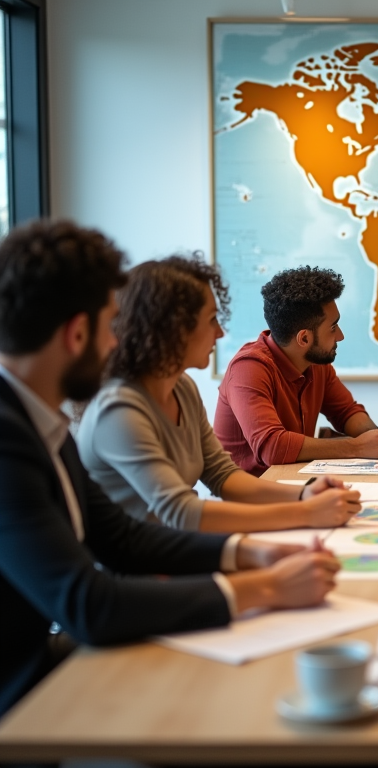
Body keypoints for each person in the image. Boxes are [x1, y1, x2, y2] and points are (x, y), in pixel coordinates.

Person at [0, 220, 340, 716]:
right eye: (109, 325)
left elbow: (122, 537)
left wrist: (251, 556)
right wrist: (262, 587)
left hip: (72, 648)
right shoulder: (12, 438)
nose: (118, 342)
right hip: (32, 694)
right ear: (77, 333)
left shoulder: (40, 421)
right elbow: (89, 605)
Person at [78, 255, 361, 532]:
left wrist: (305, 496)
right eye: (212, 319)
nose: (221, 333)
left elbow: (222, 475)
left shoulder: (183, 388)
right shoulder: (119, 411)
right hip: (139, 568)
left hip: (175, 548)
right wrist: (304, 511)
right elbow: (180, 511)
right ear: (172, 329)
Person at [215, 266, 378, 476]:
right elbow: (272, 447)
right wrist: (357, 447)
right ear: (304, 338)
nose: (340, 336)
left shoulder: (315, 363)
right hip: (249, 497)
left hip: (292, 482)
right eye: (333, 327)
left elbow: (346, 412)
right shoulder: (248, 369)